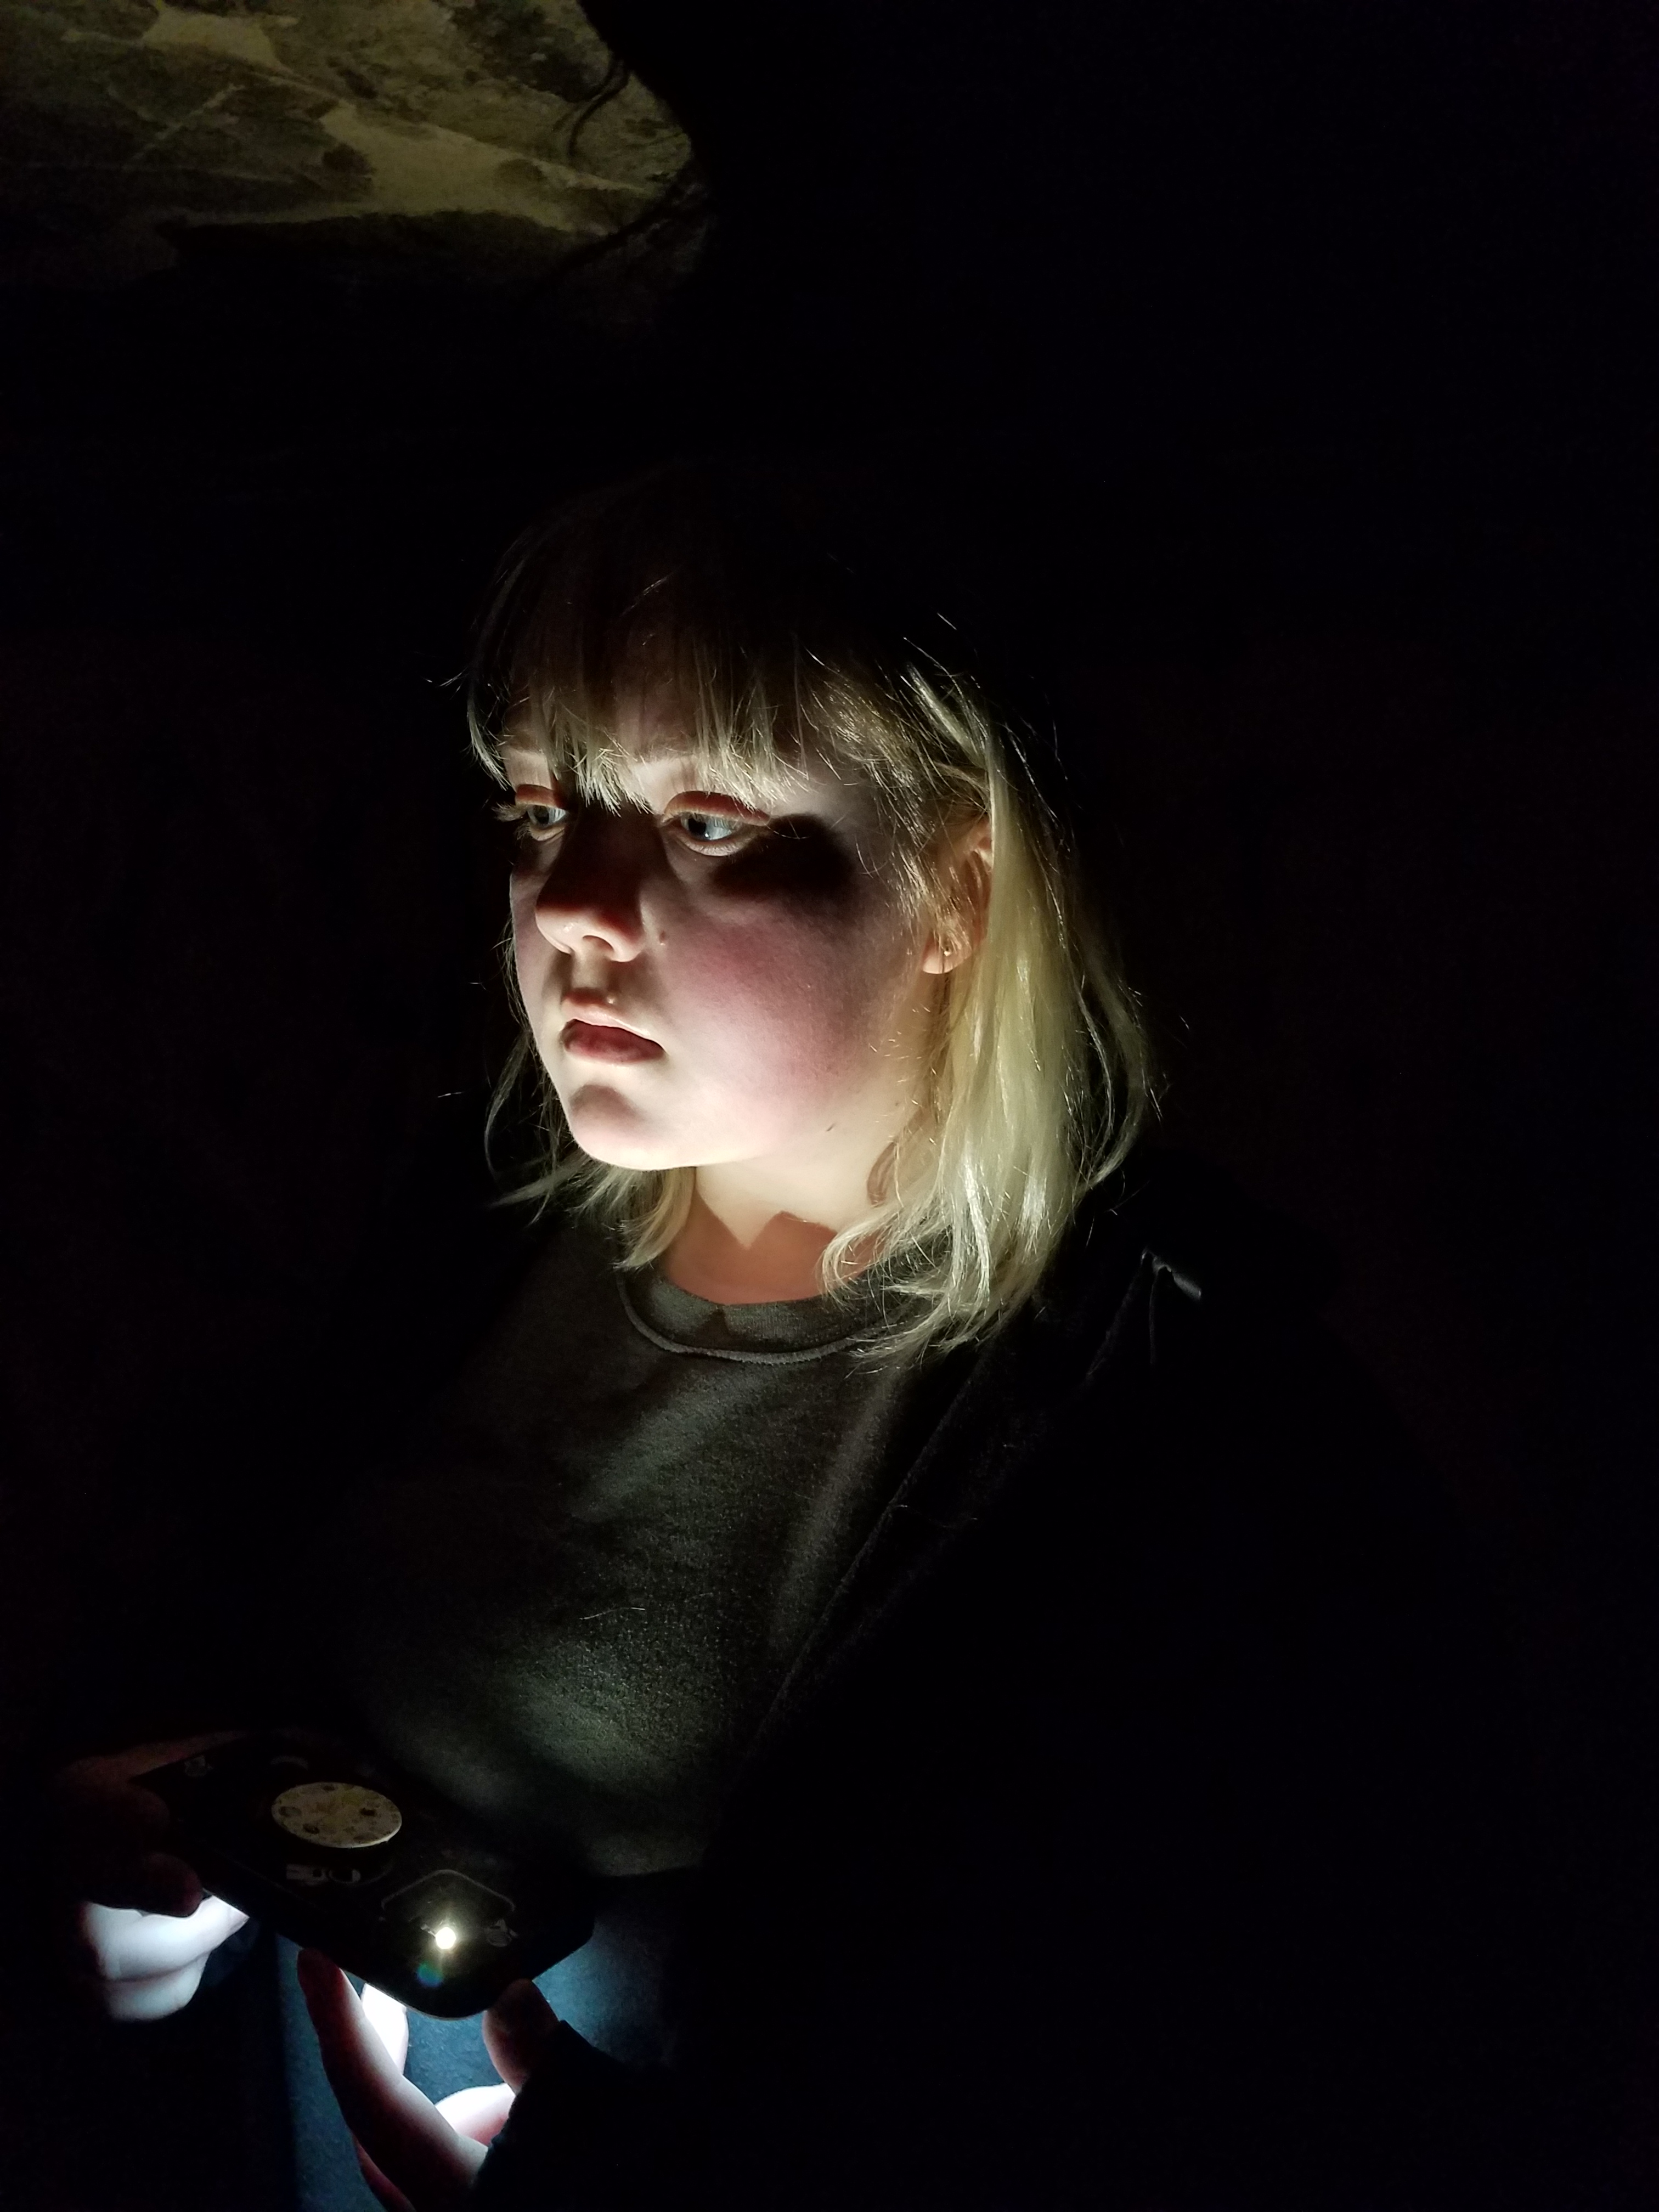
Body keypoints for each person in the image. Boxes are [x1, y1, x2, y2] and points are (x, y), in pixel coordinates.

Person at [50, 460, 1569, 2210]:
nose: (571, 905)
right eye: (541, 809)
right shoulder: (464, 1239)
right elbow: (236, 1678)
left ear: (954, 886)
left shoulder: (1184, 1425)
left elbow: (1308, 2069)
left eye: (709, 826)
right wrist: (144, 1909)